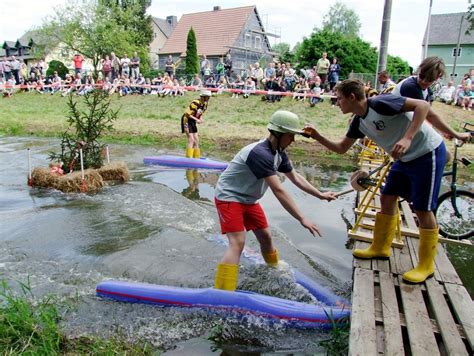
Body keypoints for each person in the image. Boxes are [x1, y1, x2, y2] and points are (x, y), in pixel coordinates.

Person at [303, 79, 471, 284]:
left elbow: (423, 106)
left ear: (352, 97)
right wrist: (317, 136)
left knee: (422, 209)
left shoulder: (381, 103)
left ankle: (426, 266)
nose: (337, 103)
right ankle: (381, 247)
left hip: (428, 152)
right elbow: (341, 148)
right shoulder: (359, 121)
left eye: (339, 99)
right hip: (404, 159)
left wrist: (408, 138)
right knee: (387, 197)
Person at [213, 111, 337, 291]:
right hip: (229, 197)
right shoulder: (260, 153)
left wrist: (320, 194)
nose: (293, 140)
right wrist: (302, 218)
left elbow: (295, 177)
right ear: (278, 134)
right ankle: (222, 293)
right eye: (290, 136)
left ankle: (273, 270)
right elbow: (278, 189)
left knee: (266, 236)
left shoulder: (279, 153)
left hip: (249, 199)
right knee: (238, 242)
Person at [181, 90, 211, 158]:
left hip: (193, 121)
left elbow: (199, 113)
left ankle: (196, 157)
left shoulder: (205, 104)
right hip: (186, 120)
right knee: (191, 139)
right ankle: (189, 158)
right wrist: (197, 119)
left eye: (209, 97)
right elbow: (187, 114)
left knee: (196, 140)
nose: (208, 99)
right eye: (207, 97)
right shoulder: (195, 103)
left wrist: (200, 119)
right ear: (203, 97)